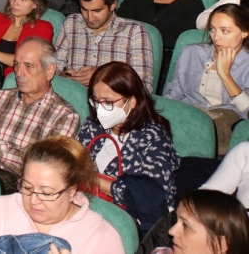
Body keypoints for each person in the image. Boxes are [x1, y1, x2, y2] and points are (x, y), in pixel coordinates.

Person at [0, 137, 126, 254]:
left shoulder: (100, 236)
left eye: (46, 193)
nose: (34, 200)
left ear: (72, 191)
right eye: (27, 188)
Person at [0, 38, 80, 191]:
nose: (19, 72)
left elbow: (39, 171)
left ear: (49, 71)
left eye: (28, 66)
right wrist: (17, 158)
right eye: (17, 64)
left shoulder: (65, 116)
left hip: (19, 193)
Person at [77, 61, 180, 226]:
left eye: (108, 103)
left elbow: (154, 198)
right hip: (85, 208)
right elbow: (72, 162)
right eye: (96, 101)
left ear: (132, 101)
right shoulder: (94, 124)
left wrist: (94, 180)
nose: (100, 109)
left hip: (126, 221)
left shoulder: (153, 136)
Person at [164, 3, 249, 155]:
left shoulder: (247, 64)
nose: (216, 37)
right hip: (187, 116)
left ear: (244, 32)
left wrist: (225, 75)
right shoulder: (192, 52)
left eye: (225, 31)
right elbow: (174, 91)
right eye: (212, 29)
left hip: (222, 126)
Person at [58, 0, 154, 92]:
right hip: (71, 97)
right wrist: (65, 76)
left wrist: (103, 76)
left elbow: (144, 86)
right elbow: (52, 69)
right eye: (84, 9)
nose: (90, 17)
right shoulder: (71, 23)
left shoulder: (134, 32)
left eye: (97, 11)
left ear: (112, 5)